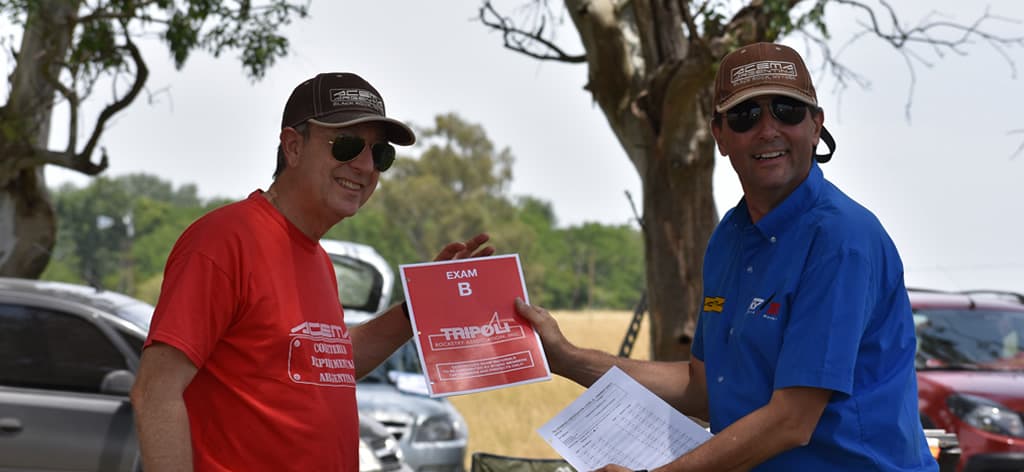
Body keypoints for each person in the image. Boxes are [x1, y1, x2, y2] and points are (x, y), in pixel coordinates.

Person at [515, 43, 937, 471]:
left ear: (816, 126)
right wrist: (564, 356)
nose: (768, 129)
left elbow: (792, 419)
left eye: (787, 111)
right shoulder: (729, 238)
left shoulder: (841, 240)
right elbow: (702, 385)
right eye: (745, 116)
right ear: (719, 135)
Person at [130, 72, 493, 471]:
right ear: (293, 146)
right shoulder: (224, 240)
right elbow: (155, 393)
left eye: (380, 153)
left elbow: (332, 362)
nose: (366, 165)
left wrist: (420, 306)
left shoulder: (317, 258)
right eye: (348, 145)